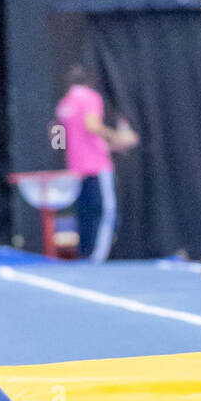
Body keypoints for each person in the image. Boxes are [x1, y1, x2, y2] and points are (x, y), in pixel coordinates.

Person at [55, 64, 139, 262]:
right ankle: (97, 257)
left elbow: (56, 136)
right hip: (96, 166)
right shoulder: (90, 97)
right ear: (90, 81)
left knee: (84, 213)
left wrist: (70, 151)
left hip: (76, 167)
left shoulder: (64, 104)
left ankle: (84, 253)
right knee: (106, 210)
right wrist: (118, 137)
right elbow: (91, 126)